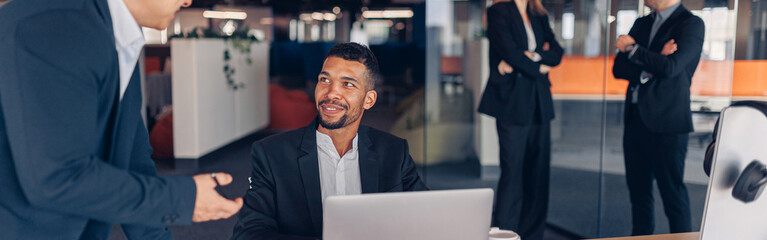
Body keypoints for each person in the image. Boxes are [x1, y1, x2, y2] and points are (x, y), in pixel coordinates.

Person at [0, 0, 243, 239]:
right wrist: (182, 199)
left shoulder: (117, 35)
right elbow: (57, 177)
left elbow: (131, 158)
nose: (189, 1)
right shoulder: (53, 23)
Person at [231, 42, 428, 239]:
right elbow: (248, 233)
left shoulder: (394, 151)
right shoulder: (271, 154)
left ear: (369, 99)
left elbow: (427, 216)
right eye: (325, 80)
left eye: (348, 84)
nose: (331, 93)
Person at [612, 0, 704, 235]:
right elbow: (618, 69)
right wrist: (653, 63)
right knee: (639, 197)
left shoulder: (691, 24)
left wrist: (633, 50)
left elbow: (672, 67)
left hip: (668, 125)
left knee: (673, 198)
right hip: (635, 122)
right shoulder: (642, 23)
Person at [477, 0, 562, 240]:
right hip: (512, 103)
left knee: (538, 173)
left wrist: (531, 57)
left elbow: (557, 53)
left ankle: (533, 234)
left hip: (539, 102)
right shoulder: (498, 11)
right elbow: (510, 52)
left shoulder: (539, 14)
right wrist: (539, 64)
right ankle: (506, 234)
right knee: (512, 172)